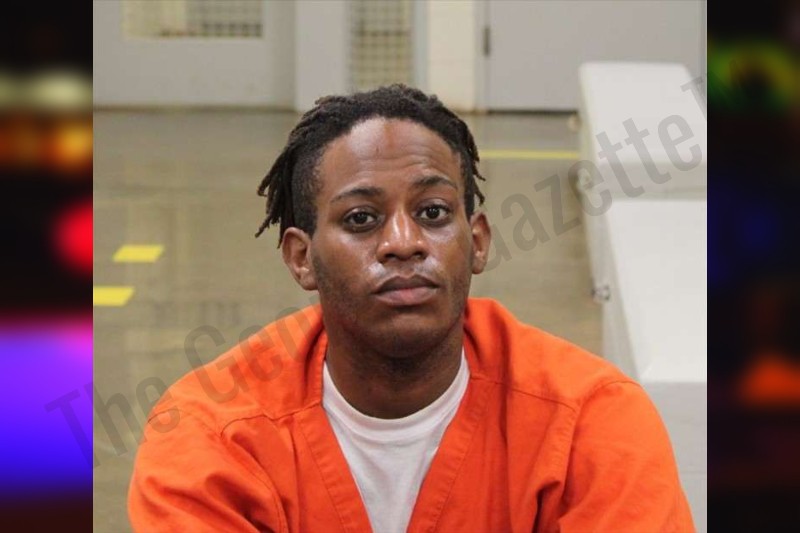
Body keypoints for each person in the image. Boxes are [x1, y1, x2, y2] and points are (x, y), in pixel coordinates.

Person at [128, 85, 694, 532]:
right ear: (302, 258)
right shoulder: (208, 435)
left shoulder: (592, 423)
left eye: (433, 212)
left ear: (477, 242)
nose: (404, 243)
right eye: (361, 219)